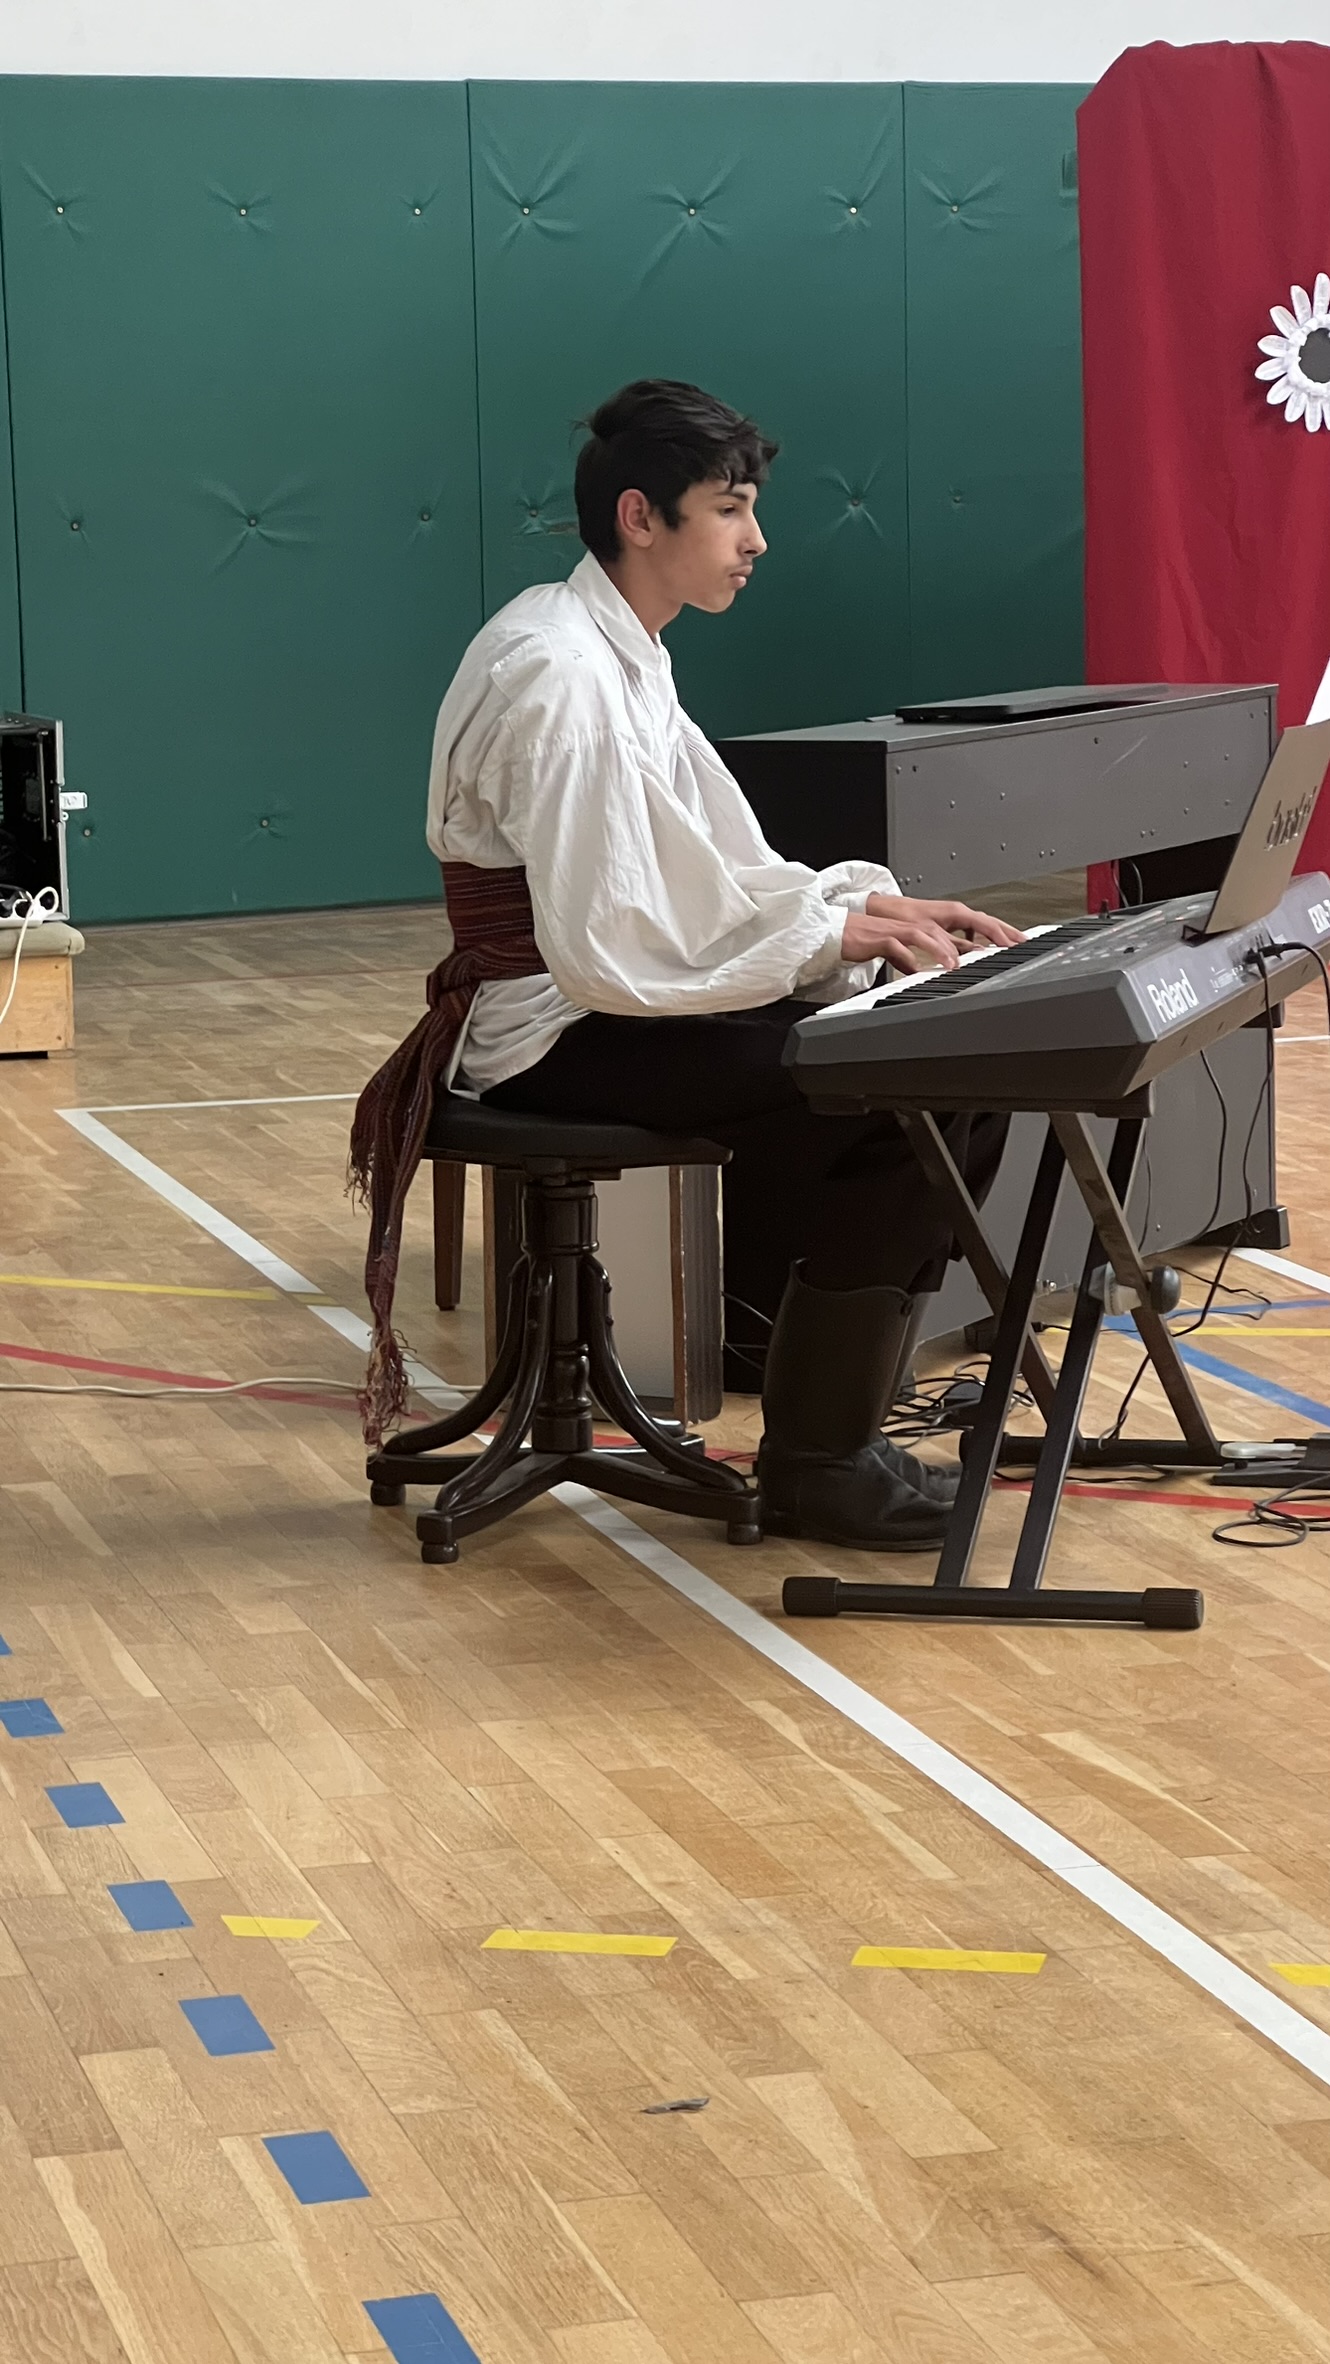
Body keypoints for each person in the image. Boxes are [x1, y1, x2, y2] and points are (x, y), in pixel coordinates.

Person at [351, 378, 1017, 1550]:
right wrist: (824, 939)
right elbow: (606, 944)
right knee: (907, 1088)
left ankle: (826, 1432)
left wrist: (857, 905)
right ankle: (817, 1459)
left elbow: (712, 864)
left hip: (594, 1005)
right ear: (639, 517)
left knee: (935, 1066)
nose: (755, 540)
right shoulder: (559, 671)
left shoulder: (616, 647)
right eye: (729, 508)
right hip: (551, 1035)